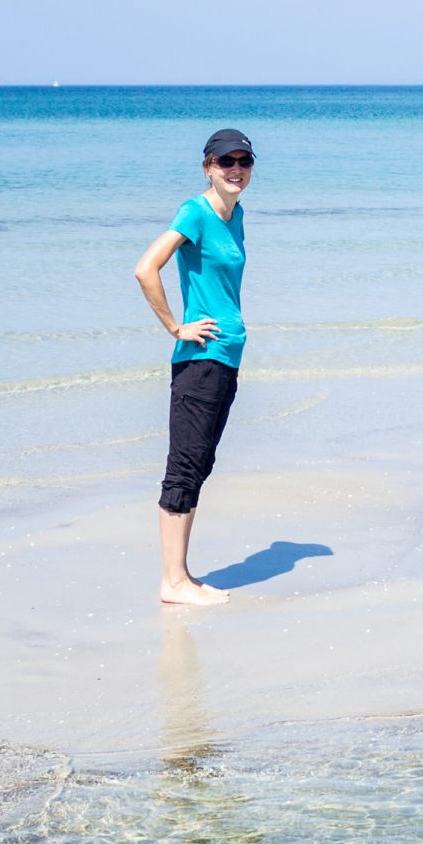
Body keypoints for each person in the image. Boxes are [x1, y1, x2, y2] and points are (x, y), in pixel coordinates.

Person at [133, 128, 253, 606]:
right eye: (226, 161)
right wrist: (174, 327)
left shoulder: (235, 215)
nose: (236, 169)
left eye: (244, 161)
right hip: (199, 362)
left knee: (200, 464)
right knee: (183, 467)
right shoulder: (195, 212)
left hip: (225, 358)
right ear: (208, 167)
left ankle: (181, 575)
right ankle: (172, 582)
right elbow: (146, 267)